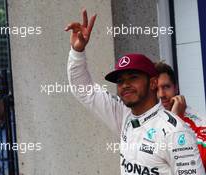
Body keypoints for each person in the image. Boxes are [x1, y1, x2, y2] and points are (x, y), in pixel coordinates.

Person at [65, 9, 205, 174]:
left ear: (152, 83)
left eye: (133, 77)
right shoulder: (124, 115)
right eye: (120, 81)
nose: (125, 85)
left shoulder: (175, 131)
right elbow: (84, 90)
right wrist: (77, 52)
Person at [155, 61, 206, 169]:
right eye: (156, 89)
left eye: (166, 87)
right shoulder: (143, 121)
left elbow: (197, 162)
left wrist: (176, 120)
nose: (161, 95)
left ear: (176, 88)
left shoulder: (199, 122)